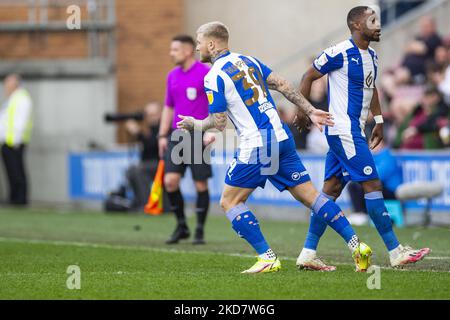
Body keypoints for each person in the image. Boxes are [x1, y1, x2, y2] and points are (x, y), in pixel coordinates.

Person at [178, 21, 373, 274]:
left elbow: (218, 121)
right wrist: (310, 110)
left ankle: (267, 257)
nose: (197, 47)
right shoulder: (248, 61)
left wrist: (196, 125)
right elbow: (282, 84)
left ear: (212, 44)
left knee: (230, 201)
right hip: (281, 137)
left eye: (199, 41)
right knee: (312, 197)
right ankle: (357, 245)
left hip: (258, 143)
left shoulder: (213, 76)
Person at [298, 6, 430, 269]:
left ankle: (308, 252)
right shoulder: (339, 52)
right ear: (357, 25)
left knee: (330, 191)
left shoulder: (372, 56)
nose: (378, 25)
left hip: (355, 130)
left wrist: (379, 121)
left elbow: (372, 90)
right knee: (372, 184)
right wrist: (305, 110)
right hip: (343, 130)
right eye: (372, 20)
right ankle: (395, 251)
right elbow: (309, 75)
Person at [158, 34, 213, 245]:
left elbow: (216, 106)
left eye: (175, 50)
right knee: (170, 182)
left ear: (188, 50)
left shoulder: (206, 74)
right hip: (177, 136)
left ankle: (199, 229)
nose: (171, 53)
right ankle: (182, 225)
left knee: (200, 183)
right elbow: (168, 107)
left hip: (199, 134)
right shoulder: (172, 76)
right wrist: (162, 135)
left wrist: (212, 131)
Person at [0, 74, 32, 205]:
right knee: (11, 172)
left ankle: (20, 199)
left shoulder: (22, 98)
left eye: (8, 84)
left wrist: (16, 141)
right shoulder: (12, 99)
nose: (5, 87)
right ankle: (14, 198)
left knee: (17, 172)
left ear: (15, 84)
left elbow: (21, 122)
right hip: (7, 141)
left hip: (14, 142)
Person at [124, 102, 162, 210]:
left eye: (153, 114)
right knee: (131, 171)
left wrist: (138, 133)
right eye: (148, 115)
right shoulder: (149, 128)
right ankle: (139, 202)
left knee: (137, 171)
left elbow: (153, 144)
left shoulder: (163, 127)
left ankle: (146, 205)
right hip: (147, 164)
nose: (150, 117)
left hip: (160, 164)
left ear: (160, 114)